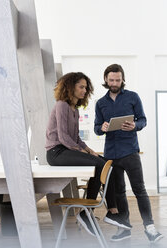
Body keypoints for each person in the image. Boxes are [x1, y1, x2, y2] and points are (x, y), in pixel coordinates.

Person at [45, 72, 131, 236]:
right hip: (56, 152)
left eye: (86, 87)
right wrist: (87, 154)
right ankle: (92, 212)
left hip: (67, 150)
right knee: (98, 163)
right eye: (81, 87)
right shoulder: (62, 105)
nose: (85, 90)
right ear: (71, 87)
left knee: (106, 162)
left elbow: (76, 138)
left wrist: (91, 151)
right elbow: (63, 138)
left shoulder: (75, 110)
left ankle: (109, 211)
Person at [94, 64, 163, 243]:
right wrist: (101, 128)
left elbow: (143, 120)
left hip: (130, 151)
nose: (115, 83)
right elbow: (96, 128)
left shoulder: (133, 97)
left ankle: (150, 228)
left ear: (123, 79)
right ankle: (123, 229)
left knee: (140, 189)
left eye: (118, 79)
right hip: (111, 153)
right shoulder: (100, 103)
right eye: (111, 80)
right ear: (106, 80)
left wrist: (135, 125)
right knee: (118, 192)